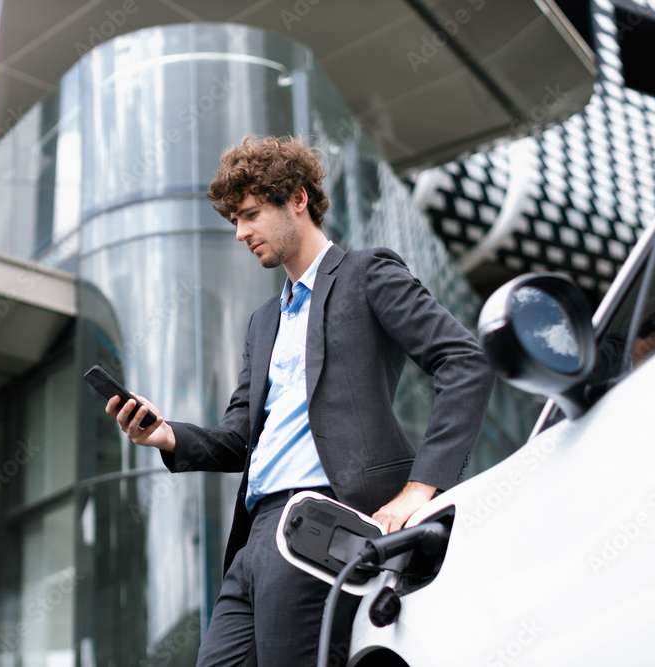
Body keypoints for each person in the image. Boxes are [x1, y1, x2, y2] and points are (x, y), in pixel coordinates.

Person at [106, 135, 495, 666]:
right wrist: (167, 435)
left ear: (297, 199)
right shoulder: (263, 321)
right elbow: (241, 433)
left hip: (323, 520)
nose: (241, 233)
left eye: (250, 215)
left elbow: (464, 362)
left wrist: (422, 487)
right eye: (234, 221)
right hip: (254, 538)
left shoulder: (367, 274)